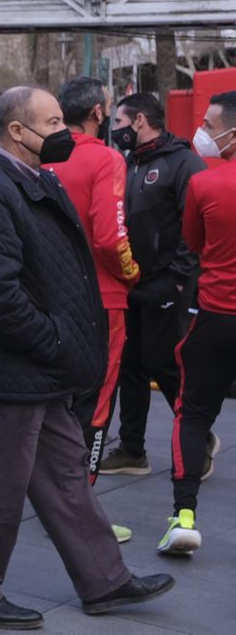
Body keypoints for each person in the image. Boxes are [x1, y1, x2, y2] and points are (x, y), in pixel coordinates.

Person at [0, 86, 173, 630]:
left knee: (66, 478)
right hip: (15, 368)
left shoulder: (30, 177)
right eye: (51, 121)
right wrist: (54, 342)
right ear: (18, 132)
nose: (64, 130)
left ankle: (104, 580)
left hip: (37, 368)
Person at [100, 93, 208, 476]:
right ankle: (132, 449)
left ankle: (199, 434)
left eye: (118, 123)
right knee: (130, 364)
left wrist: (178, 280)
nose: (114, 131)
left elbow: (194, 227)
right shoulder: (130, 163)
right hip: (132, 283)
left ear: (140, 120)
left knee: (162, 361)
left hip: (167, 284)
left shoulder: (184, 163)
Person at [48, 77, 138, 499]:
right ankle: (81, 503)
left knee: (54, 400)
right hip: (102, 299)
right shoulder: (105, 159)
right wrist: (132, 273)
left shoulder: (40, 157)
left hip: (45, 299)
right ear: (98, 113)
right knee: (97, 404)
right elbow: (109, 237)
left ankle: (53, 495)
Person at [159, 89, 236, 556]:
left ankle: (184, 516)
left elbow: (193, 241)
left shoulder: (206, 185)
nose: (203, 133)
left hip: (217, 317)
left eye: (210, 125)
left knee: (193, 413)